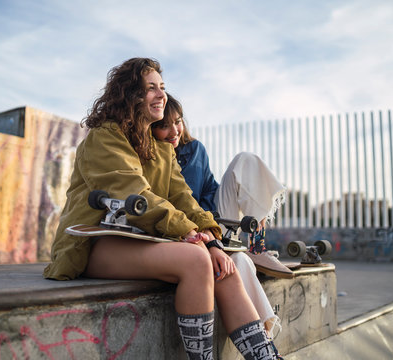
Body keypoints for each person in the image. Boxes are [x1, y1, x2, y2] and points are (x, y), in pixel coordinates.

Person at [43, 58, 281, 360]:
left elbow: (184, 199)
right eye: (151, 88)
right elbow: (134, 193)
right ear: (131, 95)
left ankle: (268, 357)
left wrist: (213, 240)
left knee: (225, 267)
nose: (161, 95)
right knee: (197, 260)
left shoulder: (162, 149)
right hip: (94, 242)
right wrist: (193, 237)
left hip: (141, 240)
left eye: (162, 87)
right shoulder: (104, 137)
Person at [152, 93, 291, 347]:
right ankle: (266, 344)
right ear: (152, 127)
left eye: (178, 122)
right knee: (239, 263)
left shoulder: (195, 149)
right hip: (183, 234)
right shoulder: (154, 158)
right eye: (164, 125)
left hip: (212, 222)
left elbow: (209, 187)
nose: (174, 131)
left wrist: (210, 222)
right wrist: (196, 228)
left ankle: (257, 245)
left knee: (245, 159)